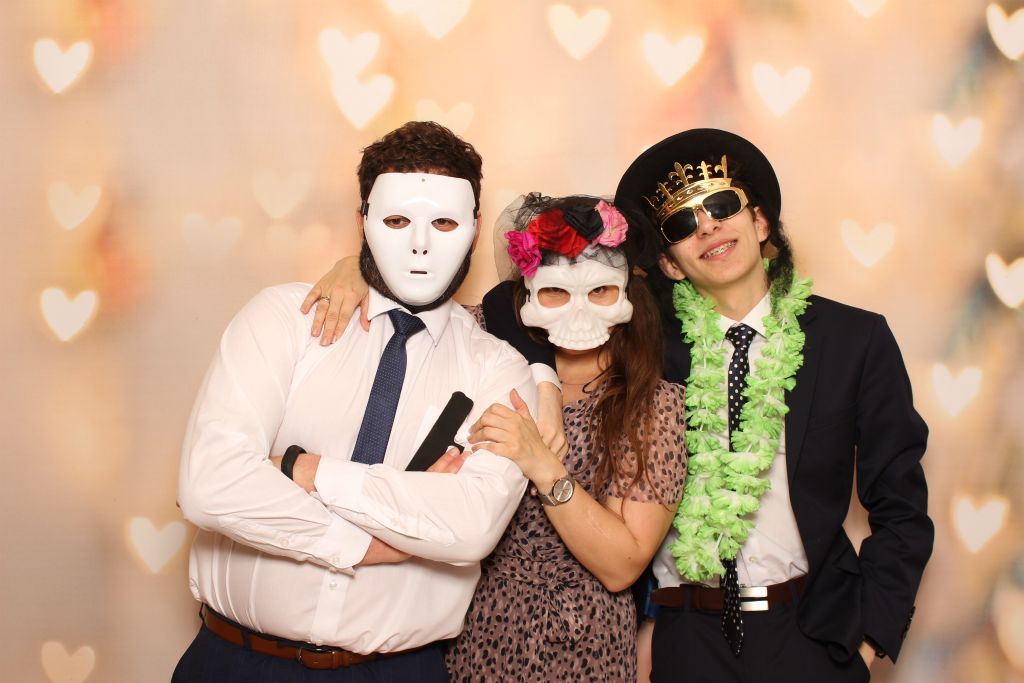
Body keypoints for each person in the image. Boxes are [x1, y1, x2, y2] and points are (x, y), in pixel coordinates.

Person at [173, 121, 542, 682]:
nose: (420, 244)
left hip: (395, 672)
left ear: (473, 230)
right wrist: (369, 541)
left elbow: (470, 526)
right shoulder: (283, 319)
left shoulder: (499, 370)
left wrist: (303, 470)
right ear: (362, 221)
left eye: (444, 222)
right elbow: (210, 485)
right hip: (235, 662)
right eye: (396, 220)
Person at [304, 193, 688, 681]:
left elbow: (622, 566)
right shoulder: (479, 340)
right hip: (466, 623)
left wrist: (543, 465)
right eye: (554, 291)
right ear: (526, 292)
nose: (578, 311)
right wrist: (356, 271)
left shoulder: (653, 404)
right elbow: (410, 303)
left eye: (600, 292)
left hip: (581, 641)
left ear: (628, 294)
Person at [610, 128, 933, 682]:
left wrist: (869, 639)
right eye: (682, 224)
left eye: (721, 205)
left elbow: (901, 504)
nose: (707, 226)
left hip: (812, 634)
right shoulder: (643, 354)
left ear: (759, 223)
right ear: (669, 264)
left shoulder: (853, 340)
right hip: (685, 638)